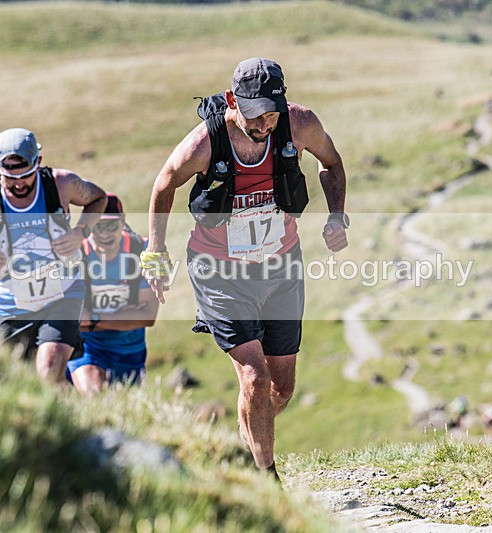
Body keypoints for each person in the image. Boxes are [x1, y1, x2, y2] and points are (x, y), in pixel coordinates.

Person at [141, 58, 348, 479]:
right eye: (256, 115)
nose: (265, 124)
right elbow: (164, 184)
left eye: (272, 113)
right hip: (221, 273)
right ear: (233, 102)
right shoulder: (205, 142)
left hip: (281, 268)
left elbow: (332, 164)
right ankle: (265, 480)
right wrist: (155, 251)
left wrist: (335, 216)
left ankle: (246, 444)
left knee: (280, 387)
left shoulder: (300, 124)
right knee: (253, 377)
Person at [0, 128, 107, 382]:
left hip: (63, 293)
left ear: (38, 163)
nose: (19, 183)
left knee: (49, 366)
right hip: (13, 302)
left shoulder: (61, 184)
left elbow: (98, 198)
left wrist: (80, 232)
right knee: (13, 380)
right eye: (10, 178)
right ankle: (78, 416)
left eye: (26, 175)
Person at [66, 193, 159, 394]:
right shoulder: (75, 255)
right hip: (87, 348)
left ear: (123, 221)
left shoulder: (143, 251)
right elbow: (71, 318)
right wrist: (127, 316)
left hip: (130, 351)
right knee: (94, 396)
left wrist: (93, 320)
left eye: (111, 225)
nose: (105, 233)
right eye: (97, 226)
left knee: (125, 412)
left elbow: (148, 316)